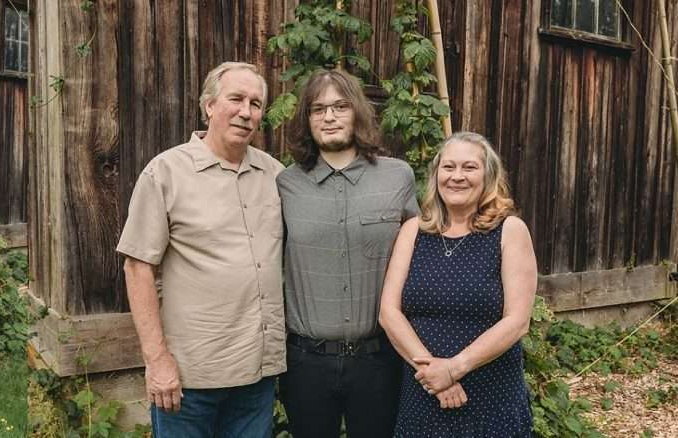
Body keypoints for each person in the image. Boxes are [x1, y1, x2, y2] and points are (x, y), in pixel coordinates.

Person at [116, 61, 285, 438]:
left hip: (256, 374)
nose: (246, 112)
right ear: (209, 105)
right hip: (188, 377)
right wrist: (157, 362)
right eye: (236, 99)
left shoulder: (275, 175)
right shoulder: (166, 172)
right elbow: (137, 267)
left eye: (255, 104)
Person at [277, 69, 418, 438]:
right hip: (306, 362)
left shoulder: (397, 177)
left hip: (378, 359)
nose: (329, 116)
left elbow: (422, 255)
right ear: (306, 120)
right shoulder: (284, 184)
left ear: (357, 112)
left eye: (340, 106)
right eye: (318, 108)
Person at [378, 132, 536, 437]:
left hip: (491, 396)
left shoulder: (509, 231)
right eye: (448, 167)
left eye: (469, 168)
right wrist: (433, 374)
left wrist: (453, 369)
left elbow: (517, 321)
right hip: (423, 394)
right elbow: (389, 312)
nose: (457, 177)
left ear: (488, 176)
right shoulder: (414, 231)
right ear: (436, 175)